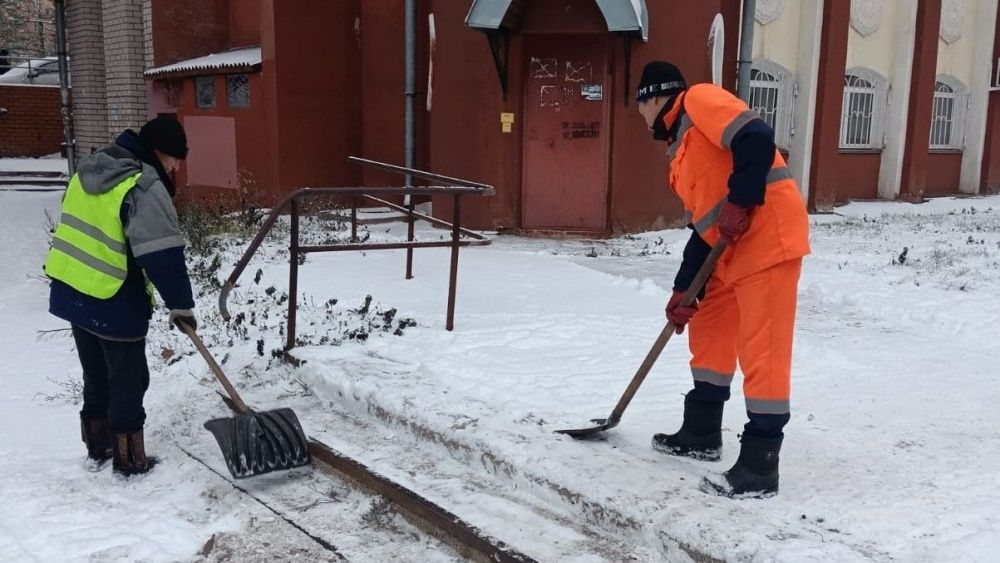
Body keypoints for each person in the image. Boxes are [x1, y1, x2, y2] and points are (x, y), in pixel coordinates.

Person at [634, 62, 810, 497]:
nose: (639, 116)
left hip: (767, 239)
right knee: (709, 328)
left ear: (654, 98)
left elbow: (755, 137)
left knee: (762, 350)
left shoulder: (699, 100)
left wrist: (744, 199)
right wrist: (684, 288)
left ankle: (760, 464)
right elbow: (704, 226)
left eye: (638, 105)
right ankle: (701, 431)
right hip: (727, 252)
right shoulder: (679, 151)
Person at [44, 117, 197, 476]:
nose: (177, 167)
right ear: (160, 153)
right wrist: (180, 306)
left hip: (73, 290)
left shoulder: (90, 169)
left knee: (96, 375)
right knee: (129, 380)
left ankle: (99, 448)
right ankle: (130, 461)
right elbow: (163, 255)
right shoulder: (142, 186)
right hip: (113, 297)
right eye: (176, 158)